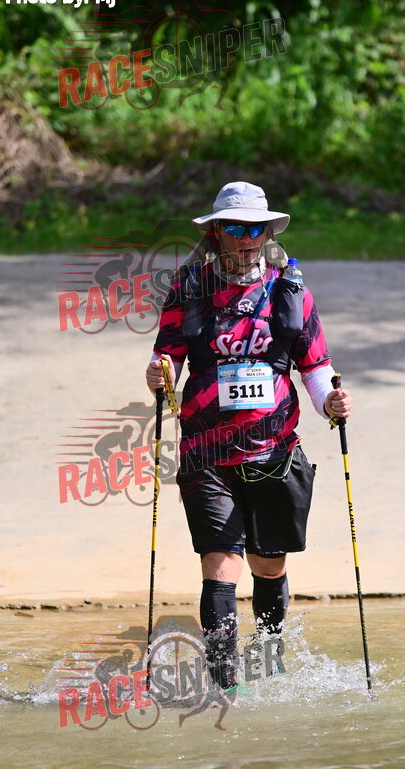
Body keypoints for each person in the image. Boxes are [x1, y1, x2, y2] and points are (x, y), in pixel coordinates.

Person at [145, 181, 352, 691]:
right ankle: (225, 684)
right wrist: (158, 374)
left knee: (267, 566)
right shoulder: (189, 289)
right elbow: (166, 358)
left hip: (274, 452)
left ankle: (269, 663)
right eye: (236, 228)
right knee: (220, 565)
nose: (246, 238)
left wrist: (330, 402)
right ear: (217, 233)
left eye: (256, 229)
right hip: (205, 452)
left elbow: (315, 366)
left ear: (267, 234)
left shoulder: (290, 291)